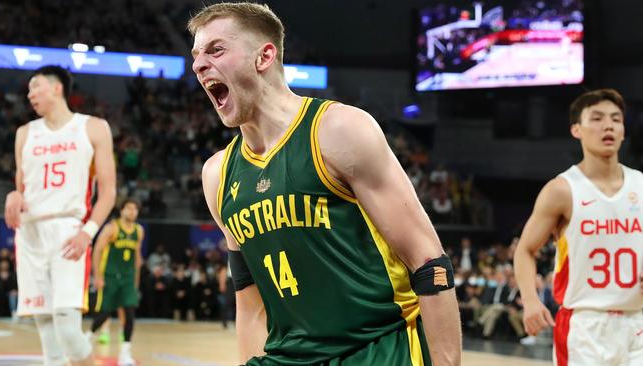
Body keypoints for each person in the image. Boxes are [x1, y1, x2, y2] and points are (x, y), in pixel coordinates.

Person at [188, 3, 461, 365]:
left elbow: (429, 262)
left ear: (264, 56)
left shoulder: (339, 130)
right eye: (195, 55)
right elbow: (249, 300)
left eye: (215, 49)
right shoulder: (217, 174)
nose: (198, 64)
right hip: (289, 357)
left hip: (377, 350)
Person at [514, 89, 643, 366]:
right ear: (576, 130)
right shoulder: (562, 190)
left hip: (638, 321)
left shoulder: (641, 185)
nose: (608, 125)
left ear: (623, 130)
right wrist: (531, 300)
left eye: (616, 119)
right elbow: (525, 249)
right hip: (584, 325)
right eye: (596, 118)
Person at [4, 65, 116, 366]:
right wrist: (14, 197)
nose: (30, 94)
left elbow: (108, 192)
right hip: (30, 233)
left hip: (69, 230)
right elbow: (20, 189)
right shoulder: (24, 134)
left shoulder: (93, 127)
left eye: (35, 86)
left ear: (56, 88)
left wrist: (87, 233)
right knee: (46, 330)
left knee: (67, 325)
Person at [89, 198, 143, 366]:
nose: (132, 212)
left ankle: (125, 354)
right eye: (129, 208)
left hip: (127, 278)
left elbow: (137, 257)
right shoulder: (112, 228)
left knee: (130, 313)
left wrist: (136, 281)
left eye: (135, 209)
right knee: (105, 313)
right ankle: (87, 338)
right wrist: (97, 276)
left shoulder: (139, 230)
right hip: (110, 277)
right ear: (122, 210)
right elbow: (97, 250)